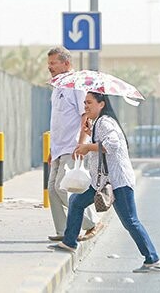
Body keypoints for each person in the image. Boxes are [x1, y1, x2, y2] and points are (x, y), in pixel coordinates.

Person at [48, 91, 160, 273]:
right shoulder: (98, 123)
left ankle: (152, 258)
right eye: (85, 103)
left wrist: (87, 146)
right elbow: (102, 142)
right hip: (101, 181)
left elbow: (112, 144)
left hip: (118, 181)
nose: (86, 107)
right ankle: (70, 242)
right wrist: (89, 132)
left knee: (130, 221)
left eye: (90, 103)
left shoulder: (105, 121)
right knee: (76, 202)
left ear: (101, 104)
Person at [47, 46, 103, 241]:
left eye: (53, 63)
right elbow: (58, 121)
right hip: (58, 148)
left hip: (71, 147)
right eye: (49, 64)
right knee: (52, 190)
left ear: (66, 63)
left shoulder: (76, 86)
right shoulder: (57, 88)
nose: (50, 67)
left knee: (63, 188)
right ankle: (63, 231)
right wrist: (51, 150)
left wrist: (81, 144)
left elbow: (85, 115)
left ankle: (92, 222)